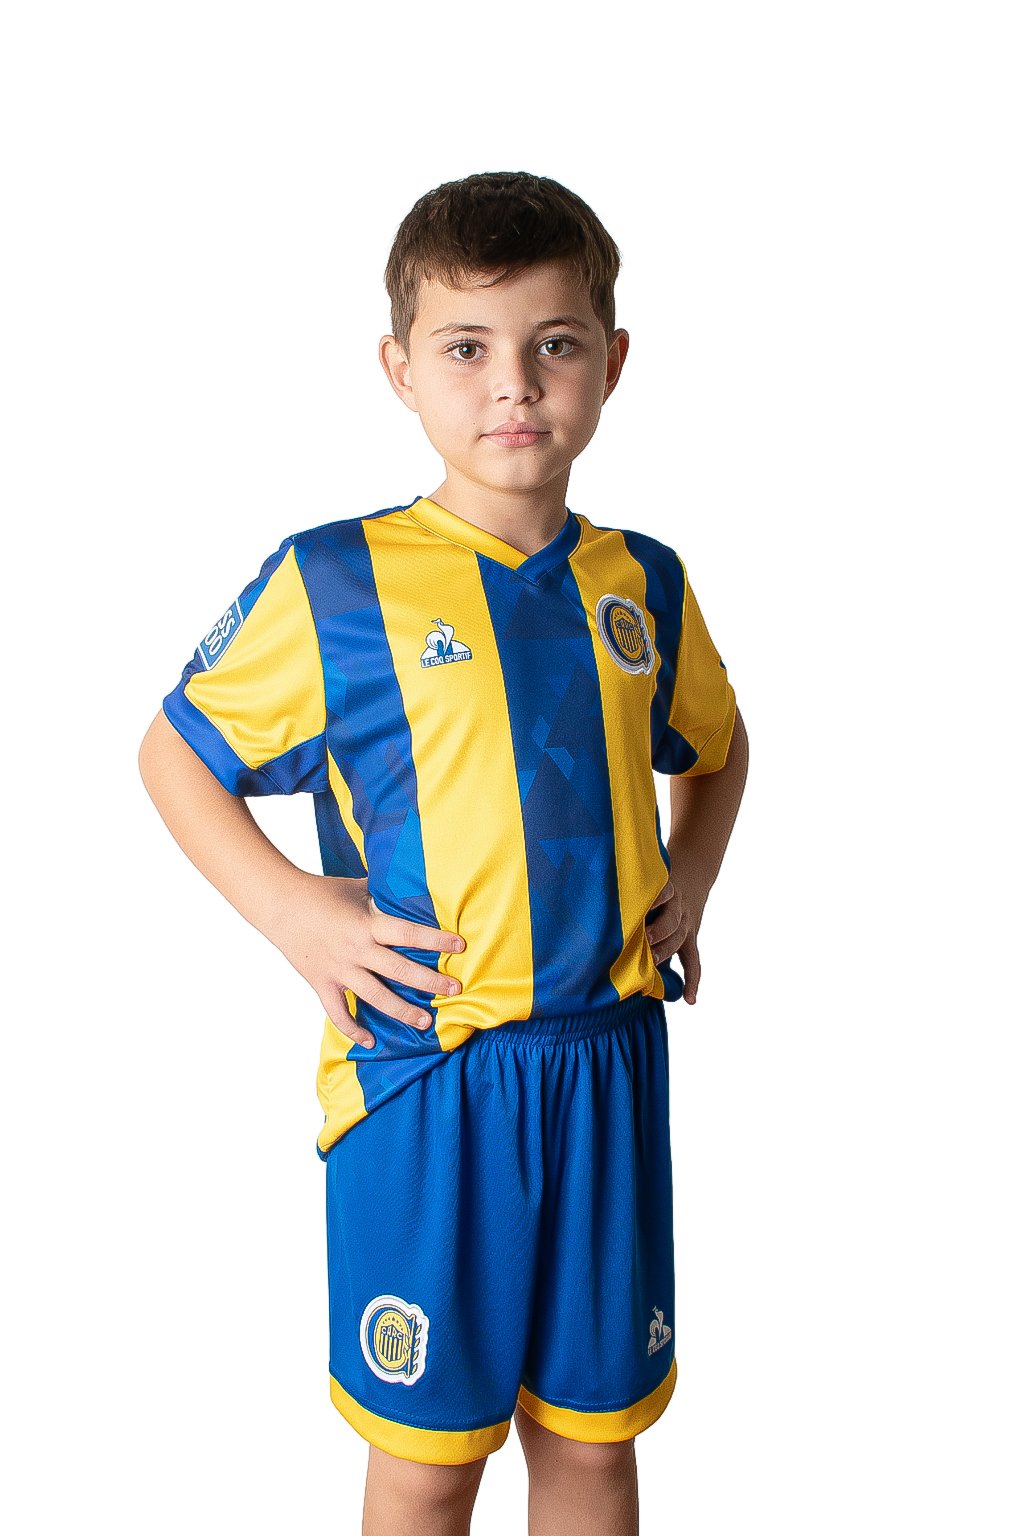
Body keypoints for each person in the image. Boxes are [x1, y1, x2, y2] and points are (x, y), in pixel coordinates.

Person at [139, 169, 749, 1536]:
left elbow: (716, 744)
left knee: (591, 1444)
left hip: (605, 1061)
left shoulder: (642, 582)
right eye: (467, 347)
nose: (514, 384)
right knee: (428, 1462)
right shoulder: (335, 582)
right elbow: (174, 755)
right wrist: (297, 915)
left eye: (554, 343)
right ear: (399, 369)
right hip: (429, 1073)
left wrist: (691, 878)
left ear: (612, 363)